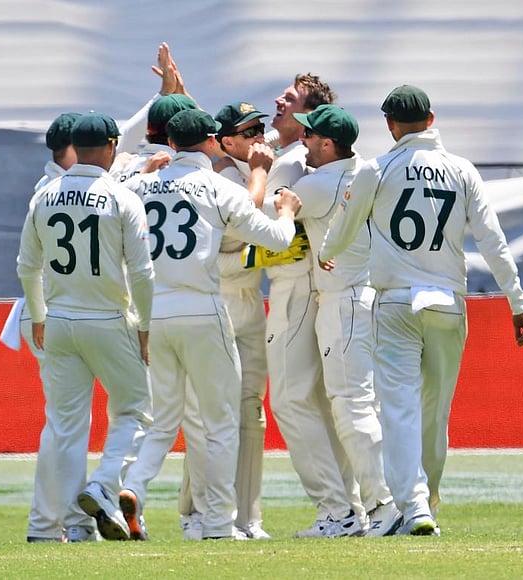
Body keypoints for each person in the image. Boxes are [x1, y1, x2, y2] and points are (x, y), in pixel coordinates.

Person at [319, 85, 523, 536]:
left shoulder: (376, 168)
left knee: (398, 408)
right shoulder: (462, 169)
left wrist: (327, 250)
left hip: (396, 301)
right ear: (432, 118)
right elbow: (492, 242)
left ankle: (414, 506)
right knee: (435, 413)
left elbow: (346, 226)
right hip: (448, 303)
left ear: (390, 125)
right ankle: (427, 500)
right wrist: (517, 302)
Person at [16, 43, 187, 543]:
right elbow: (143, 273)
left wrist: (43, 314)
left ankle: (56, 526)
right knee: (137, 409)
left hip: (58, 318)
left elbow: (27, 265)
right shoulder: (120, 193)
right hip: (108, 318)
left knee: (65, 428)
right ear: (110, 148)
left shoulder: (44, 193)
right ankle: (104, 484)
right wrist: (147, 328)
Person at [119, 109, 301, 540]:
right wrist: (289, 212)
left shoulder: (139, 186)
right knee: (221, 421)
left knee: (164, 419)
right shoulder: (218, 186)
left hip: (154, 313)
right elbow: (276, 238)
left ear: (171, 143)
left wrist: (143, 171)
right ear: (211, 142)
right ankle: (219, 523)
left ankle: (131, 487)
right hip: (203, 308)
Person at [281, 104, 403, 536]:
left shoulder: (316, 183)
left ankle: (384, 504)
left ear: (328, 144)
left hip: (344, 301)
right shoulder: (369, 171)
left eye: (310, 137)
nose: (303, 142)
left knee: (351, 404)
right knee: (366, 405)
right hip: (372, 295)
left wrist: (270, 177)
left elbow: (263, 220)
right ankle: (390, 504)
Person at [261, 74, 365, 538]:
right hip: (312, 289)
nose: (280, 99)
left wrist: (259, 173)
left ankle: (336, 509)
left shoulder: (293, 164)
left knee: (290, 398)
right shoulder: (294, 155)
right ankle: (350, 507)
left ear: (309, 120)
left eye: (292, 97)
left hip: (296, 286)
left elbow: (266, 225)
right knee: (319, 404)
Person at [175, 101, 278, 540]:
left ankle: (246, 519)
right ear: (224, 141)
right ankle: (195, 512)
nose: (258, 136)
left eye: (260, 128)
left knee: (250, 413)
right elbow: (234, 237)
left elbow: (284, 135)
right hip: (217, 302)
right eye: (248, 131)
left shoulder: (258, 157)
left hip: (249, 301)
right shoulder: (214, 180)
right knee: (207, 413)